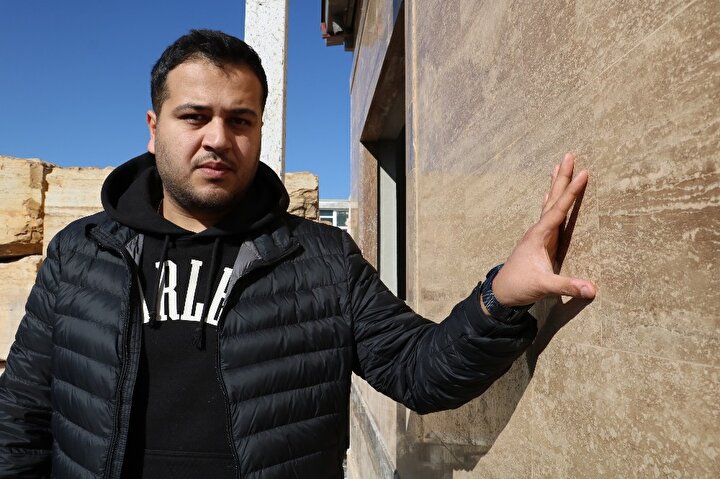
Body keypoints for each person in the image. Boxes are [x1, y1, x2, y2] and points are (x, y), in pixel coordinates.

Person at [0, 29, 596, 479]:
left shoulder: (322, 260)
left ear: (259, 130)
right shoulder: (81, 253)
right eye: (194, 117)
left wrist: (501, 296)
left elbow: (419, 372)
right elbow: (21, 419)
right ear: (154, 128)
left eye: (240, 120)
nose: (217, 139)